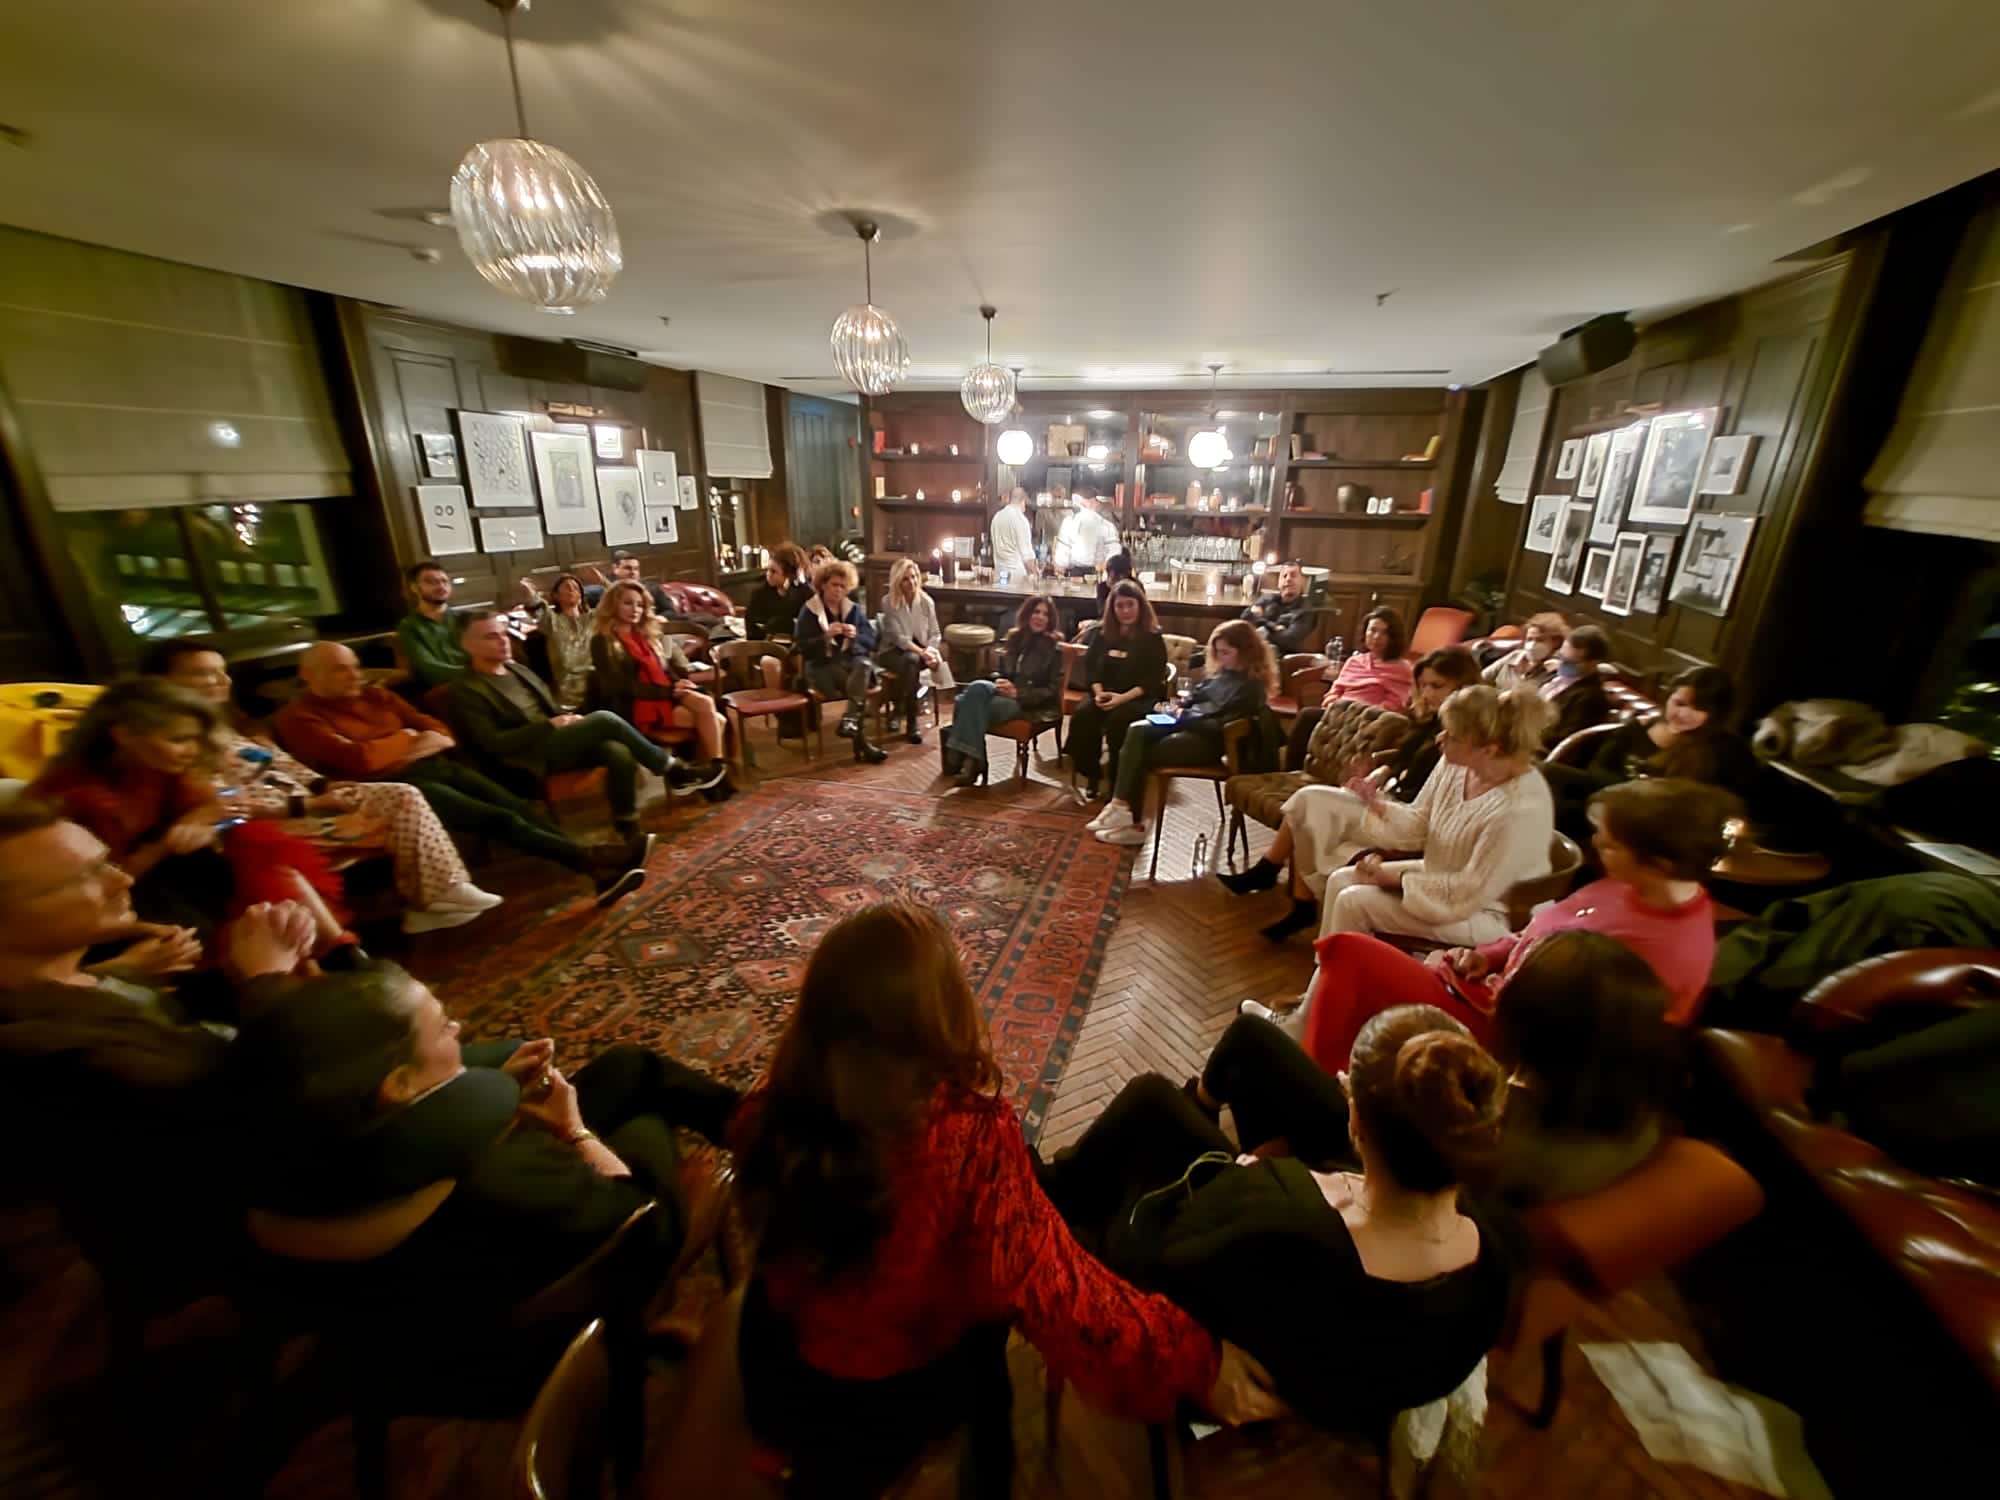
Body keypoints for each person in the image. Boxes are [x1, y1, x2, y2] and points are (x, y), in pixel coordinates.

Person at [729, 903, 1281, 1496]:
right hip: (887, 1404)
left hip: (779, 1371)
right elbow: (1065, 1301)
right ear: (938, 1018)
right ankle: (989, 1471)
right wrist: (1198, 1359)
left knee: (1118, 1129)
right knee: (995, 1318)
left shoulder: (775, 1103)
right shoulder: (968, 1136)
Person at [1046, 1005, 1518, 1436]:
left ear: (1357, 1120)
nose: (1337, 1081)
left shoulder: (1276, 1216)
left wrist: (1241, 1178)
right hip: (1351, 1357)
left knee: (1150, 1100)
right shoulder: (1493, 1262)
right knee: (1252, 1038)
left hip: (1258, 1327)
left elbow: (1162, 1260)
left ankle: (1050, 1194)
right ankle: (1198, 1106)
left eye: (1347, 1086)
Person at [232, 961, 743, 1312]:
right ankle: (756, 1140)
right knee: (646, 1119)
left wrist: (477, 1084)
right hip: (540, 1316)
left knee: (629, 1068)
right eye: (441, 1028)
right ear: (398, 1084)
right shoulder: (502, 1173)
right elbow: (640, 1227)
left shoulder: (297, 1148)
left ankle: (746, 1122)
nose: (457, 1026)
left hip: (409, 1298)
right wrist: (576, 1132)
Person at [0, 801, 318, 1282]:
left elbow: (179, 1028)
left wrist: (240, 973)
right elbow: (256, 1115)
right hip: (225, 1232)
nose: (122, 880)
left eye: (106, 861)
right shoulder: (42, 1048)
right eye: (82, 877)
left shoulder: (71, 981)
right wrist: (265, 981)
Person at [1287, 778, 1740, 1073]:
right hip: (1485, 987)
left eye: (1612, 845)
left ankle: (1312, 1071)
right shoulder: (1627, 886)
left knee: (1348, 953)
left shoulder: (1670, 950)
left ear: (1660, 861)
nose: (1598, 846)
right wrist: (1487, 955)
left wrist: (1483, 982)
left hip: (1503, 1034)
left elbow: (1578, 1042)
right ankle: (1321, 1063)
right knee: (1351, 961)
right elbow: (1537, 932)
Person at [151, 642, 502, 935]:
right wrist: (309, 805)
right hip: (267, 826)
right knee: (400, 809)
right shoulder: (179, 739)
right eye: (203, 673)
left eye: (222, 671)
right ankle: (430, 901)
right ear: (163, 682)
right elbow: (225, 806)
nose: (221, 680)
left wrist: (324, 786)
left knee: (402, 793)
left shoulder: (231, 724)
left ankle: (443, 892)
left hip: (307, 801)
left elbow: (283, 763)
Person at [276, 641, 654, 907]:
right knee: (499, 819)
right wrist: (408, 739)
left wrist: (408, 740)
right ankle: (596, 863)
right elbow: (359, 759)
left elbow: (438, 730)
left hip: (438, 765)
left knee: (515, 806)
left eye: (355, 666)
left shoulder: (378, 696)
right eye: (339, 669)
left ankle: (596, 866)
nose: (353, 675)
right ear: (308, 675)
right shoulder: (299, 718)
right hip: (394, 788)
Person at [30, 678, 353, 957]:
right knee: (237, 884)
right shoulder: (81, 797)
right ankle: (316, 962)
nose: (193, 750)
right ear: (123, 735)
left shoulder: (154, 768)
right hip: (111, 898)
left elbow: (221, 804)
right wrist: (168, 842)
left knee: (257, 849)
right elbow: (104, 884)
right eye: (179, 740)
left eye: (196, 739)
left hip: (170, 871)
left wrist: (200, 819)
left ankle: (337, 952)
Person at [1243, 684, 1556, 950]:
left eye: (1452, 736)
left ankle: (1332, 988)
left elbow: (1470, 890)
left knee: (1353, 901)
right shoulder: (1456, 765)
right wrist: (1377, 804)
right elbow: (1420, 824)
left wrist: (1395, 879)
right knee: (1340, 879)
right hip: (1442, 879)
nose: (1440, 739)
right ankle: (1331, 983)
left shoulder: (1520, 808)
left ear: (1489, 749)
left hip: (1488, 912)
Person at [1246, 648, 1488, 931]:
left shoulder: (1462, 738)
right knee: (1308, 806)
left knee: (1308, 801)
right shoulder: (1432, 719)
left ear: (1463, 686)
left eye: (1437, 686)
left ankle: (1277, 878)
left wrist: (1378, 800)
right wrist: (1376, 777)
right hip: (1392, 798)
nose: (1427, 693)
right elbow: (1403, 759)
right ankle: (1293, 894)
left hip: (1407, 818)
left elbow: (1432, 807)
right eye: (1423, 685)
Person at [451, 611, 722, 838]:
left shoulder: (517, 669)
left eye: (503, 633)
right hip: (525, 756)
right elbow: (492, 744)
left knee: (617, 750)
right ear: (467, 645)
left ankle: (627, 825)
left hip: (555, 740)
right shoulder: (466, 690)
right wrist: (550, 726)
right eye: (491, 636)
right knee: (605, 718)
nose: (503, 640)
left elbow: (550, 708)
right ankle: (674, 769)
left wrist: (570, 718)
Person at [1088, 620, 1275, 847]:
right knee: (1136, 729)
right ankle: (1121, 807)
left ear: (1246, 651)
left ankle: (1134, 823)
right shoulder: (1223, 675)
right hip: (1188, 724)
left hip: (1207, 743)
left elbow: (1221, 727)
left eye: (1226, 652)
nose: (1220, 658)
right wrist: (1178, 707)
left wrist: (1184, 716)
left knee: (1137, 752)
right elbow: (1197, 698)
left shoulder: (1251, 688)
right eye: (1218, 652)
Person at [1543, 666, 1760, 830]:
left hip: (1667, 828)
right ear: (1668, 697)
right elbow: (1598, 769)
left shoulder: (1727, 750)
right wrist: (1632, 789)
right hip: (1616, 805)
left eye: (1698, 709)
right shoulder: (1640, 727)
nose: (1682, 714)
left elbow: (1732, 804)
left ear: (1715, 714)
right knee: (1550, 776)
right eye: (1679, 703)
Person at [588, 581, 732, 799]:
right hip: (634, 704)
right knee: (716, 720)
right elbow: (621, 687)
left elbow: (663, 668)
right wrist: (669, 691)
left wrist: (680, 683)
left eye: (639, 605)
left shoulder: (643, 634)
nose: (635, 609)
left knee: (705, 703)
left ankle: (713, 772)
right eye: (628, 603)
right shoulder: (601, 641)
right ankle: (714, 778)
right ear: (613, 605)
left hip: (662, 694)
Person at [944, 594, 1065, 788]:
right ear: (1027, 614)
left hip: (1028, 703)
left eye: (1045, 614)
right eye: (1036, 612)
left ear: (1051, 620)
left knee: (963, 702)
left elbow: (1052, 690)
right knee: (976, 690)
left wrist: (1018, 693)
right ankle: (972, 761)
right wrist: (999, 681)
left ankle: (969, 760)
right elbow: (1004, 673)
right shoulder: (1015, 639)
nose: (1040, 617)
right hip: (1005, 693)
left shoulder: (1054, 648)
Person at [1067, 581, 1169, 802]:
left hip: (1137, 696)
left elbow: (1153, 679)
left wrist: (1122, 698)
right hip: (1104, 693)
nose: (1125, 610)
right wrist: (1099, 693)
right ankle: (1092, 774)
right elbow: (1091, 667)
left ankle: (1118, 783)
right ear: (1112, 608)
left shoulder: (1152, 637)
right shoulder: (1102, 633)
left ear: (1140, 605)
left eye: (1130, 605)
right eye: (1119, 606)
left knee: (1119, 722)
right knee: (1083, 716)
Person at [793, 558, 889, 764]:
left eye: (843, 587)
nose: (838, 590)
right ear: (823, 585)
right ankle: (861, 740)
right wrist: (825, 637)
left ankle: (849, 722)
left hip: (850, 665)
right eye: (834, 585)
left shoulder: (852, 609)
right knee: (858, 686)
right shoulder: (810, 610)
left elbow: (872, 641)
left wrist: (856, 636)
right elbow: (801, 647)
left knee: (863, 666)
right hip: (822, 668)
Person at [875, 557, 954, 746]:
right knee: (910, 660)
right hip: (892, 651)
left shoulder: (926, 601)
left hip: (920, 652)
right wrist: (922, 653)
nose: (911, 582)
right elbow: (898, 638)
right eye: (905, 578)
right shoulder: (888, 602)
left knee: (910, 662)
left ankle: (898, 710)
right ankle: (911, 722)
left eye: (914, 577)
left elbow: (935, 634)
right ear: (897, 581)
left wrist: (931, 652)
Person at [517, 572, 596, 709]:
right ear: (555, 595)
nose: (571, 590)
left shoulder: (592, 618)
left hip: (595, 684)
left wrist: (603, 582)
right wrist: (530, 593)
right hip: (567, 691)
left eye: (576, 588)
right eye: (566, 587)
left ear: (581, 595)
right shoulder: (551, 621)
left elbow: (614, 605)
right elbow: (537, 607)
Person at [1318, 606, 1413, 712]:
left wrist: (1361, 714)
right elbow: (1335, 691)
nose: (1376, 637)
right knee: (1308, 714)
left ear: (1394, 637)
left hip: (1369, 717)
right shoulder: (1354, 661)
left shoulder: (1402, 669)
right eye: (1373, 630)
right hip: (1338, 712)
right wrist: (1332, 704)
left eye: (1384, 633)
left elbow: (1396, 704)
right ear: (1365, 632)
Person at [394, 559, 469, 690]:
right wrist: (477, 673)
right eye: (430, 582)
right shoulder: (409, 626)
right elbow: (429, 669)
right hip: (444, 689)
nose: (441, 586)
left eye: (444, 581)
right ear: (414, 587)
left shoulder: (465, 618)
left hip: (479, 680)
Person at [1539, 623, 1613, 750]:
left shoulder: (1591, 699)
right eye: (1561, 656)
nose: (1562, 664)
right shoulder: (1553, 672)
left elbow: (1561, 740)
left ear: (1593, 663)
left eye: (1570, 662)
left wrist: (1524, 730)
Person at [1242, 561, 1316, 654]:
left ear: (1302, 581)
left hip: (1283, 657)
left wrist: (1261, 631)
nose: (1288, 579)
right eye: (1284, 576)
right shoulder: (1267, 599)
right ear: (1279, 582)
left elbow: (1288, 639)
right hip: (1254, 650)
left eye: (1293, 575)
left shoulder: (1306, 610)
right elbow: (1246, 616)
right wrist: (1272, 626)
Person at [1483, 612, 1567, 693]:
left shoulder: (1555, 672)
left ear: (1556, 643)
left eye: (1540, 640)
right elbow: (1482, 678)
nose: (1532, 645)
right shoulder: (1514, 656)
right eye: (1529, 639)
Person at [745, 544, 812, 642]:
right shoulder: (759, 593)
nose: (768, 574)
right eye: (767, 570)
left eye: (773, 571)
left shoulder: (805, 594)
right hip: (766, 645)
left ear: (789, 574)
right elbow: (752, 628)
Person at [582, 551, 674, 617]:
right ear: (615, 568)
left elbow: (670, 612)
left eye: (636, 569)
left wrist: (661, 618)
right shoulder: (601, 590)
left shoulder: (652, 588)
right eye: (628, 568)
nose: (633, 572)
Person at [1054, 490, 1121, 574]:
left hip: (1082, 573)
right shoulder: (1107, 525)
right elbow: (1114, 554)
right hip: (1094, 573)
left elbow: (1062, 558)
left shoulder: (1069, 522)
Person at [990, 486, 1037, 581]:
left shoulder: (997, 517)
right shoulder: (1020, 519)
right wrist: (1035, 573)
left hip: (999, 574)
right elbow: (1027, 555)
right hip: (1017, 577)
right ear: (1023, 501)